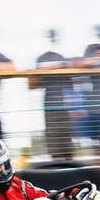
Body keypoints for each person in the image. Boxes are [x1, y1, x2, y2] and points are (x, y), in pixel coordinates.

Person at [32, 29, 74, 160]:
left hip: (64, 105)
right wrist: (52, 69)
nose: (52, 39)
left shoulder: (62, 57)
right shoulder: (41, 58)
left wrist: (63, 69)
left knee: (67, 145)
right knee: (54, 145)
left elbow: (71, 83)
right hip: (49, 106)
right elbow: (32, 84)